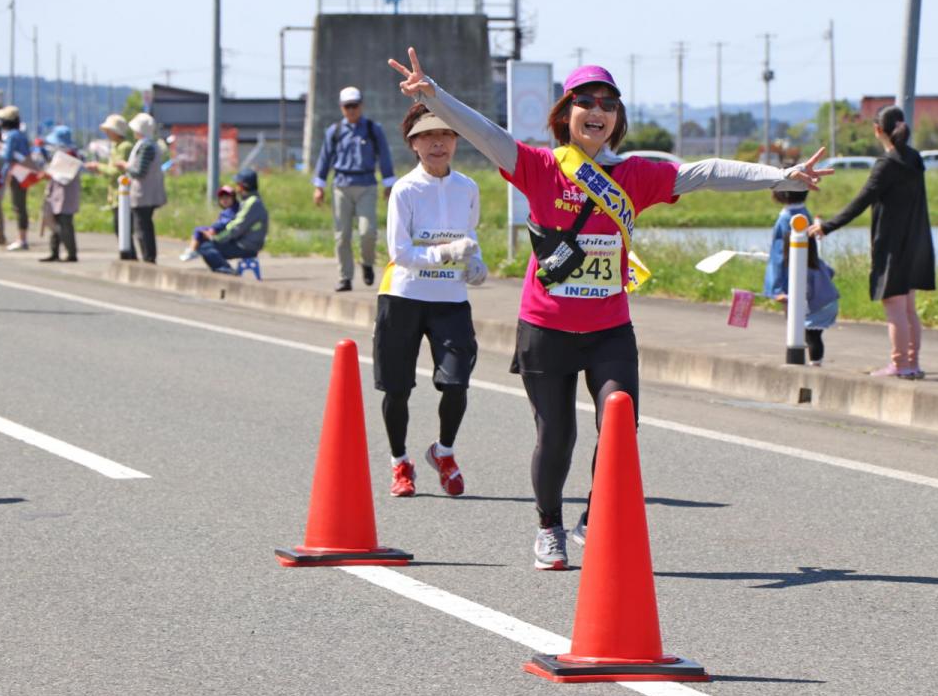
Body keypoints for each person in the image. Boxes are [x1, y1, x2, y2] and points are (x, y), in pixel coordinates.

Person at [390, 48, 831, 570]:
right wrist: (435, 94)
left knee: (620, 426)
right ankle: (549, 526)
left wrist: (781, 176)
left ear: (616, 119)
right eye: (585, 102)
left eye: (608, 104)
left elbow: (706, 171)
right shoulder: (538, 166)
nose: (597, 111)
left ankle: (592, 517)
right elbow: (486, 133)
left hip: (610, 329)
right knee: (557, 435)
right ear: (566, 114)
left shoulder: (637, 176)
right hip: (546, 328)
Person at [375, 102, 487, 499]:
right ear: (413, 144)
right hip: (404, 296)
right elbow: (399, 252)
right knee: (398, 388)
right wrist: (443, 253)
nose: (437, 142)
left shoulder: (468, 188)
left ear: (456, 140)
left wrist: (476, 264)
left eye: (445, 135)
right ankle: (400, 463)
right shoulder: (405, 190)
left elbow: (469, 239)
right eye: (427, 136)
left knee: (456, 382)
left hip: (450, 300)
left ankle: (444, 452)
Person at [808, 105, 935, 379]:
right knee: (909, 307)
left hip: (892, 244)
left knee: (895, 307)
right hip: (916, 241)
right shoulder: (914, 159)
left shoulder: (887, 165)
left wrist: (825, 227)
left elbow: (860, 202)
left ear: (878, 130)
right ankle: (912, 363)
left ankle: (900, 365)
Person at [312, 86, 396, 292]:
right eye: (347, 106)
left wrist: (388, 183)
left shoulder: (372, 129)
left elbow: (384, 156)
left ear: (361, 106)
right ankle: (345, 277)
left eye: (355, 105)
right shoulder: (335, 131)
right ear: (341, 107)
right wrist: (319, 186)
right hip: (341, 185)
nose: (351, 110)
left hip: (366, 185)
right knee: (342, 235)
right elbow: (325, 158)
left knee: (368, 232)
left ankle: (367, 263)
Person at [764, 189, 839, 365]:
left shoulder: (785, 218)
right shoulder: (805, 214)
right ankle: (816, 364)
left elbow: (778, 256)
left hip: (798, 287)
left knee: (801, 331)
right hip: (825, 295)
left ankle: (809, 366)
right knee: (812, 335)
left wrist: (776, 288)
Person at [84, 114, 136, 259]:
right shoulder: (116, 146)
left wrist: (98, 167)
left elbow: (116, 170)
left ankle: (130, 257)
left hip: (123, 195)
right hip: (115, 194)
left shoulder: (125, 147)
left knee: (123, 229)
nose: (106, 133)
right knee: (120, 229)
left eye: (109, 130)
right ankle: (128, 256)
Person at [197, 169, 268, 274]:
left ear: (244, 186)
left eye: (238, 184)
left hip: (246, 246)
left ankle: (227, 271)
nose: (236, 187)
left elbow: (237, 227)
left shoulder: (252, 203)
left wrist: (216, 238)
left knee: (205, 247)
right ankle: (224, 269)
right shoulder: (250, 201)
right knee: (207, 245)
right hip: (244, 242)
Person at [124, 113, 167, 263]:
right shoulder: (148, 144)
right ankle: (148, 256)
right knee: (145, 225)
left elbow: (139, 171)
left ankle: (148, 257)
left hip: (143, 193)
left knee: (142, 226)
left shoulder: (146, 146)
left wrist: (125, 166)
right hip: (147, 193)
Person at [37, 126, 82, 263]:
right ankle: (54, 251)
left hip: (66, 196)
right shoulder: (59, 155)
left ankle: (71, 253)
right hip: (56, 194)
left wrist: (50, 173)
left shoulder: (72, 155)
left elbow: (65, 177)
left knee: (65, 224)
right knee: (54, 223)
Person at [0, 106, 33, 251]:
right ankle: (21, 238)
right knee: (20, 205)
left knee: (18, 206)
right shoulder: (20, 134)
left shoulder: (11, 136)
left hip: (16, 174)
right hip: (22, 173)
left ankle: (21, 239)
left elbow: (7, 156)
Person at [180, 185, 239, 261]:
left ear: (233, 198)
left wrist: (213, 229)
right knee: (199, 230)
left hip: (225, 235)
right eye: (222, 198)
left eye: (227, 198)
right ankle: (193, 250)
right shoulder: (230, 210)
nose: (224, 200)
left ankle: (193, 250)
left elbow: (224, 223)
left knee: (199, 231)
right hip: (225, 233)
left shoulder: (232, 211)